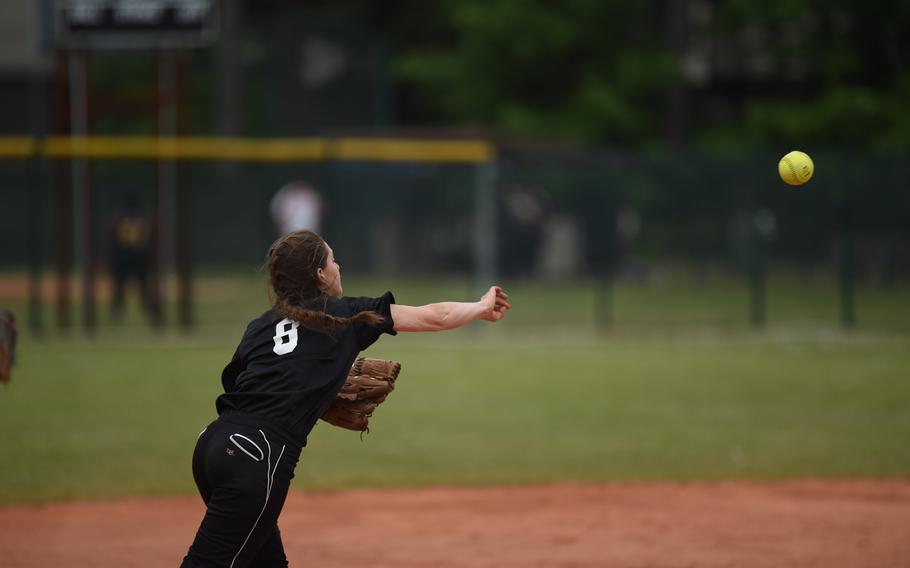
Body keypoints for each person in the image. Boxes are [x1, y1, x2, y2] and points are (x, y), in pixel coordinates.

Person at [180, 230, 510, 568]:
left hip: (213, 445)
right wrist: (481, 308)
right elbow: (434, 316)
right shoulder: (345, 315)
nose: (338, 266)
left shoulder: (260, 327)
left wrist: (314, 389)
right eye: (332, 260)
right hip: (257, 457)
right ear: (320, 274)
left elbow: (242, 386)